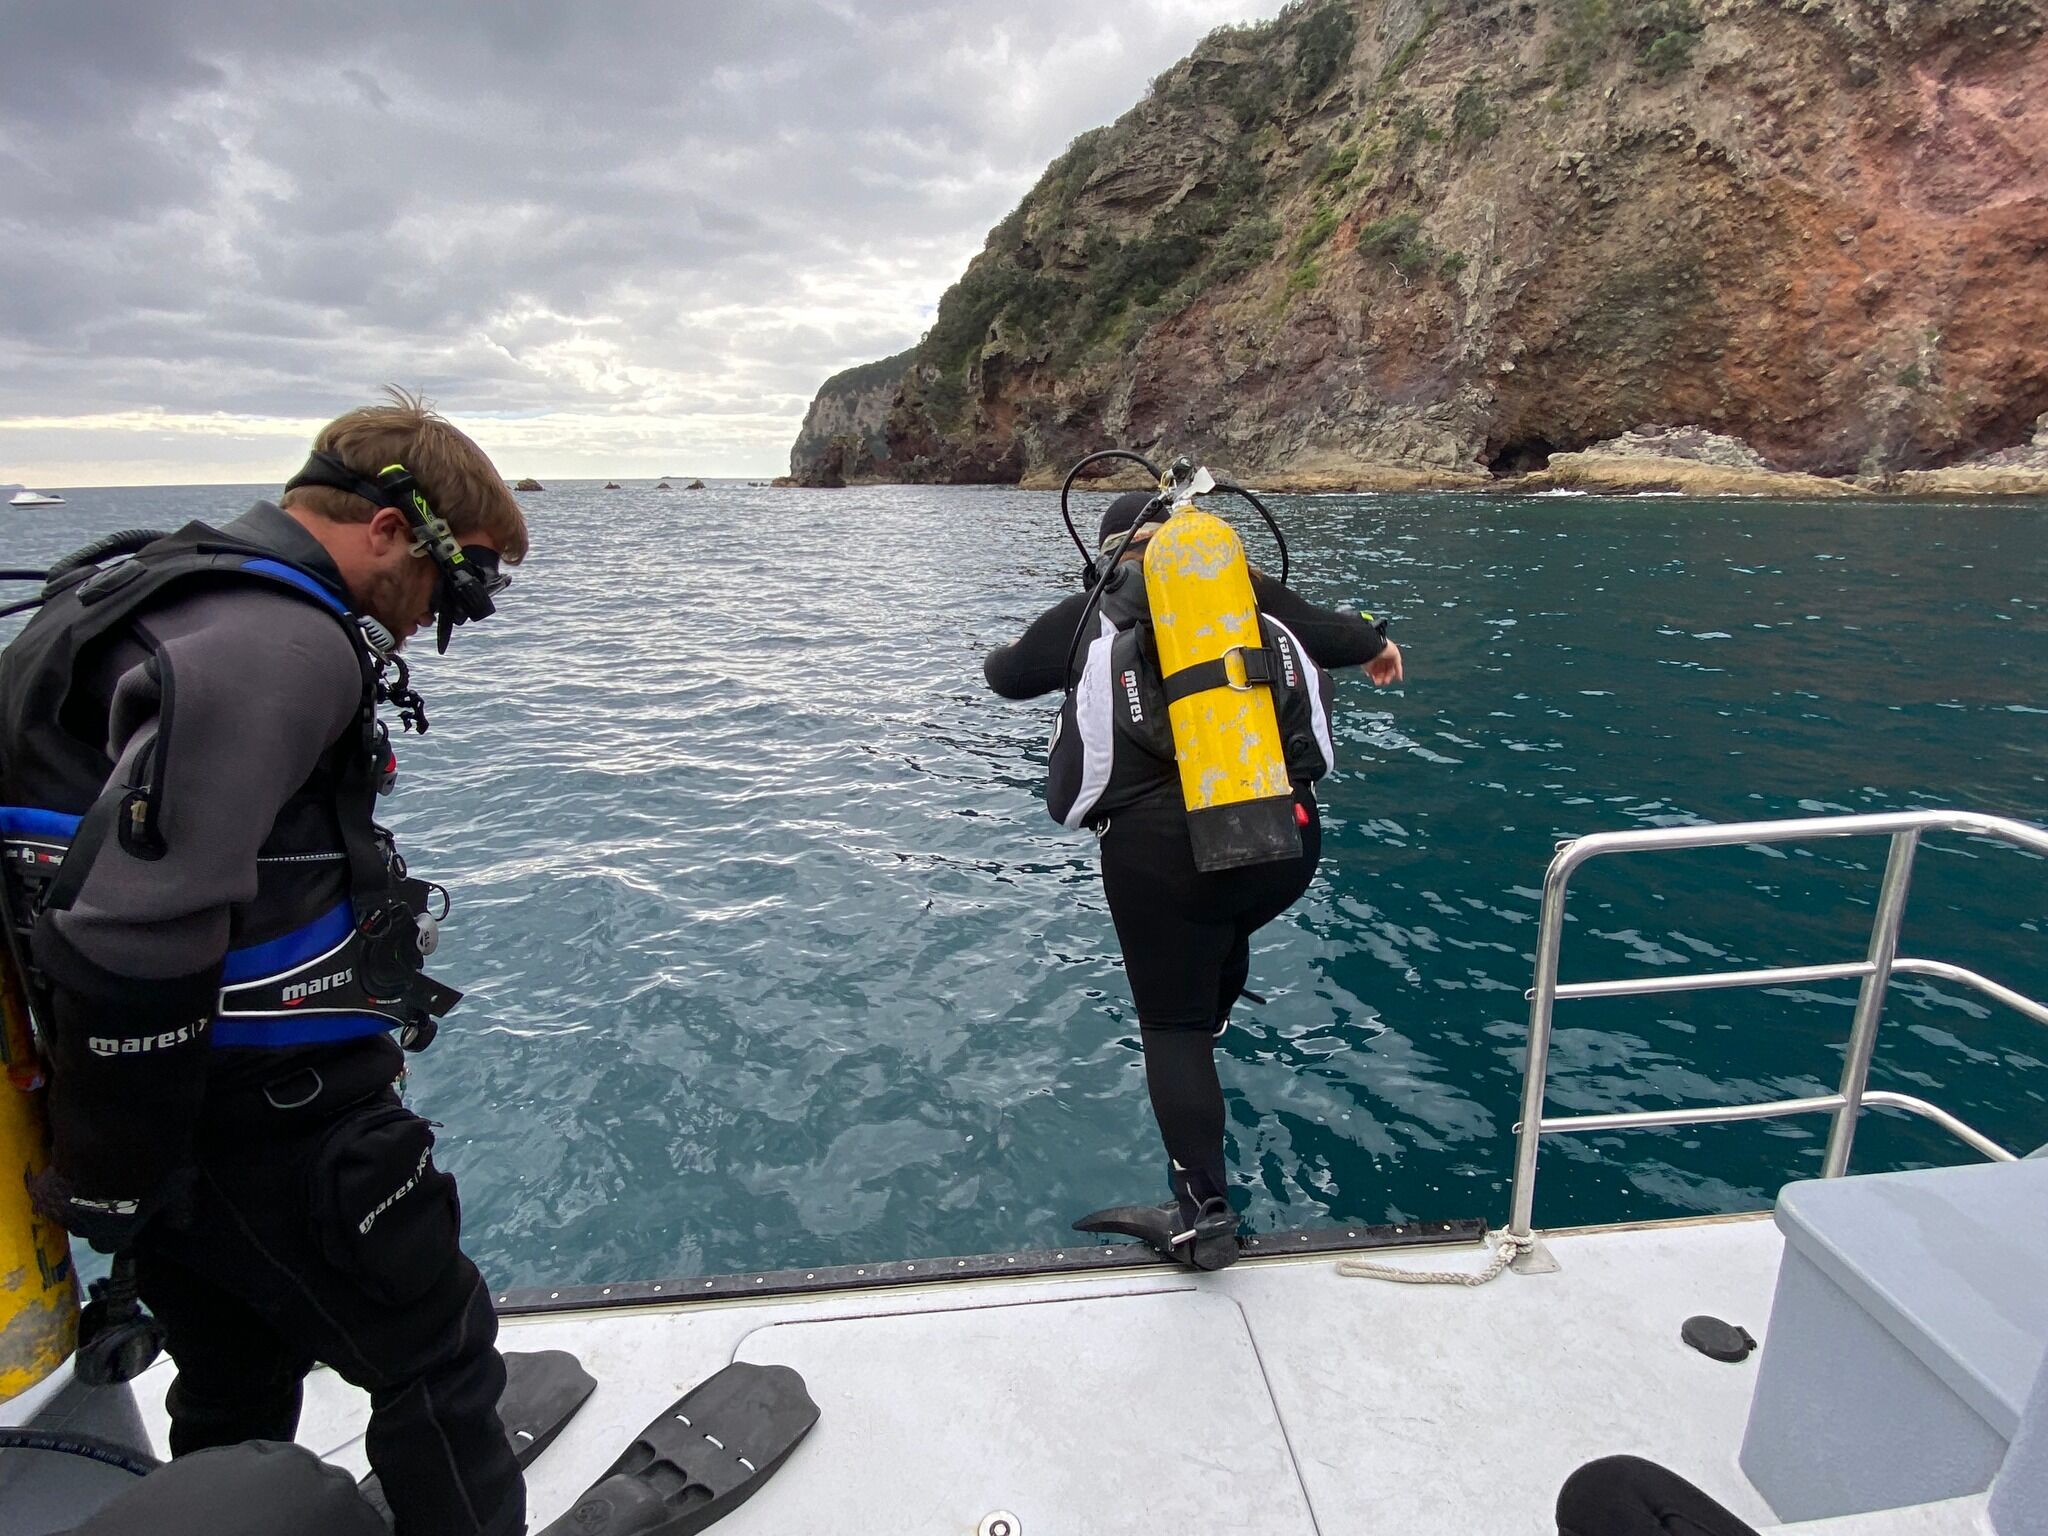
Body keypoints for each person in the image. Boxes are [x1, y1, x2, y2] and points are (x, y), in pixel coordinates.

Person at [0, 389, 529, 1536]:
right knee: (439, 1357)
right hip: (273, 1117)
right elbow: (137, 922)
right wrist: (124, 1168)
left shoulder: (123, 597)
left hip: (160, 1119)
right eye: (461, 575)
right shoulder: (282, 638)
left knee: (237, 1374)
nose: (447, 609)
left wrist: (121, 1163)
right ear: (389, 532)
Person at [983, 489, 1403, 1269]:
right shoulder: (1247, 591)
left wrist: (1006, 650)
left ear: (1107, 552)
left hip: (1159, 858)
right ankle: (1212, 1008)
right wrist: (1377, 640)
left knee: (1170, 1030)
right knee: (1226, 921)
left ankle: (1201, 1216)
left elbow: (1008, 678)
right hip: (1286, 843)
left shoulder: (1092, 613)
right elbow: (1340, 637)